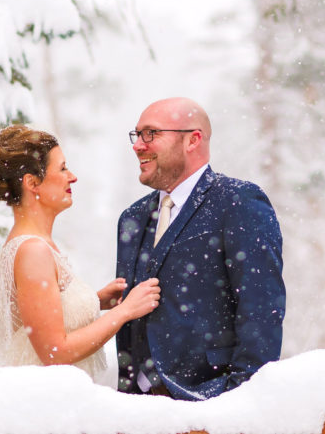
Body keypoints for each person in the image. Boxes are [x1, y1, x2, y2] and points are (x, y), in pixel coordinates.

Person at [115, 97, 286, 400]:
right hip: (138, 410)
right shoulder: (132, 218)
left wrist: (238, 397)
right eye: (137, 135)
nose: (138, 145)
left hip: (211, 405)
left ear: (193, 139)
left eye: (151, 134)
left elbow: (261, 309)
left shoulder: (238, 202)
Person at [0, 124, 161, 376]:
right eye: (62, 168)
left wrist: (95, 301)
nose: (72, 176)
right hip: (47, 402)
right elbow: (55, 352)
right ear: (32, 183)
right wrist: (126, 311)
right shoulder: (32, 250)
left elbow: (43, 317)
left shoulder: (34, 244)